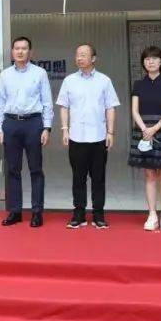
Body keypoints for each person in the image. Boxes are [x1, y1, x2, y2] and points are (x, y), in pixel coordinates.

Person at [57, 43, 119, 230]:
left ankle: (99, 214)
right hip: (76, 137)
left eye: (83, 55)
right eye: (77, 54)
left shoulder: (104, 81)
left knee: (98, 178)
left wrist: (110, 132)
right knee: (78, 177)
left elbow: (110, 107)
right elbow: (64, 106)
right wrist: (65, 129)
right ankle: (79, 214)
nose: (79, 58)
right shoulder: (69, 81)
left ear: (93, 58)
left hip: (99, 137)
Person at [0, 36, 53, 228]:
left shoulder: (40, 73)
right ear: (12, 52)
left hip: (33, 123)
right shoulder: (5, 75)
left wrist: (47, 127)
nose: (20, 51)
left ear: (30, 52)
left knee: (36, 169)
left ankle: (37, 212)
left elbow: (47, 102)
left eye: (24, 48)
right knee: (12, 170)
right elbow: (0, 103)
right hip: (11, 124)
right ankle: (15, 211)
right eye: (17, 48)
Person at [128, 46, 161, 232]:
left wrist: (155, 128)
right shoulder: (138, 85)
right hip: (143, 130)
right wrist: (145, 129)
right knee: (149, 174)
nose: (150, 62)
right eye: (147, 59)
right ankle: (151, 214)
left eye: (154, 58)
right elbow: (135, 110)